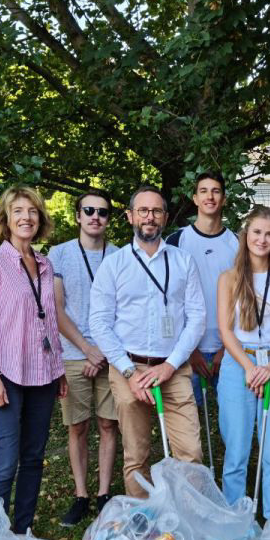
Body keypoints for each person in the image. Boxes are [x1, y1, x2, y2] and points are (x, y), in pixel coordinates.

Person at [88, 184, 206, 498]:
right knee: (136, 457)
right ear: (130, 216)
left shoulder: (183, 261)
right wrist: (129, 372)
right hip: (129, 368)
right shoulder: (113, 265)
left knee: (191, 455)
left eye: (156, 211)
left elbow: (197, 317)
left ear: (165, 217)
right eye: (143, 210)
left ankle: (184, 518)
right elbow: (99, 322)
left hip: (173, 368)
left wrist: (170, 365)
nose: (149, 217)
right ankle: (142, 521)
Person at [0, 185, 68, 534]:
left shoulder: (45, 264)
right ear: (6, 219)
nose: (26, 218)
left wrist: (59, 370)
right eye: (18, 211)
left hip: (43, 374)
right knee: (5, 460)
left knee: (33, 458)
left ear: (40, 218)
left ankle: (22, 532)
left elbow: (49, 321)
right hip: (5, 374)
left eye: (32, 211)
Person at [217, 205, 270, 518]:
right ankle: (235, 522)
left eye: (269, 234)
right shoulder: (229, 279)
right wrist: (251, 368)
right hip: (239, 364)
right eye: (257, 232)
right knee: (236, 452)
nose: (262, 240)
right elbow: (226, 330)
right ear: (246, 235)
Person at [49, 192, 119, 526]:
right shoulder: (59, 254)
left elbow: (123, 310)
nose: (95, 216)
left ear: (108, 219)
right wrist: (86, 349)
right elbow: (56, 309)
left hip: (109, 355)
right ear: (78, 215)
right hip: (73, 354)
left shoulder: (119, 256)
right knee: (77, 426)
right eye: (89, 210)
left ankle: (104, 494)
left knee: (108, 424)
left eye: (102, 212)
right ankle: (81, 495)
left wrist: (101, 352)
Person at [165, 172, 239, 402]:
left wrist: (228, 348)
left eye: (216, 191)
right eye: (204, 191)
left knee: (233, 417)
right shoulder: (175, 242)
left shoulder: (239, 243)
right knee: (188, 419)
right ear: (195, 198)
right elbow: (167, 300)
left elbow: (245, 299)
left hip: (230, 350)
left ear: (224, 199)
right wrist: (188, 349)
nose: (210, 196)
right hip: (187, 350)